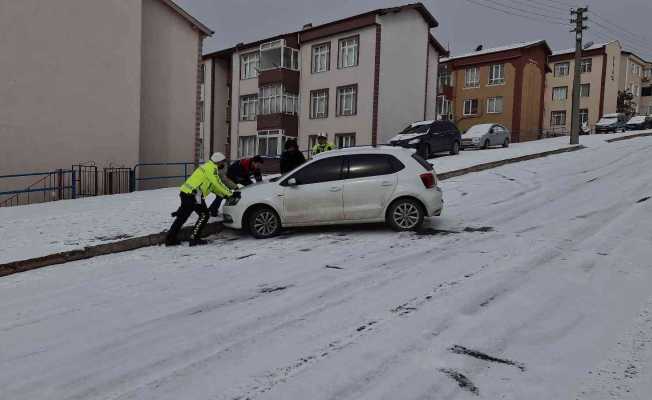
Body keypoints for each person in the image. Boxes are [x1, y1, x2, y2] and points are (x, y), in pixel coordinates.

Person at [165, 152, 238, 247]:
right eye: (222, 162)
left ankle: (170, 239)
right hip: (194, 195)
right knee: (204, 215)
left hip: (186, 193)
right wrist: (230, 194)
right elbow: (217, 183)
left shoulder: (207, 167)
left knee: (182, 217)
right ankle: (194, 239)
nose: (223, 164)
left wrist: (225, 195)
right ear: (218, 161)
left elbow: (213, 187)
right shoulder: (211, 169)